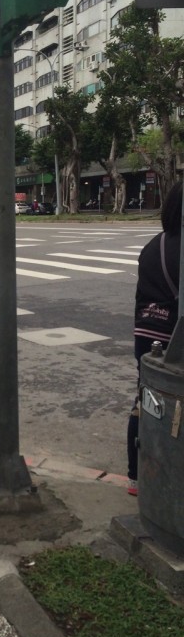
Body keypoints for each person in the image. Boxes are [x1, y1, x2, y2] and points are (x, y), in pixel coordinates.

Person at [127, 180, 182, 495]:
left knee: (145, 399)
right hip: (177, 336)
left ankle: (136, 475)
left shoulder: (153, 246)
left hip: (146, 333)